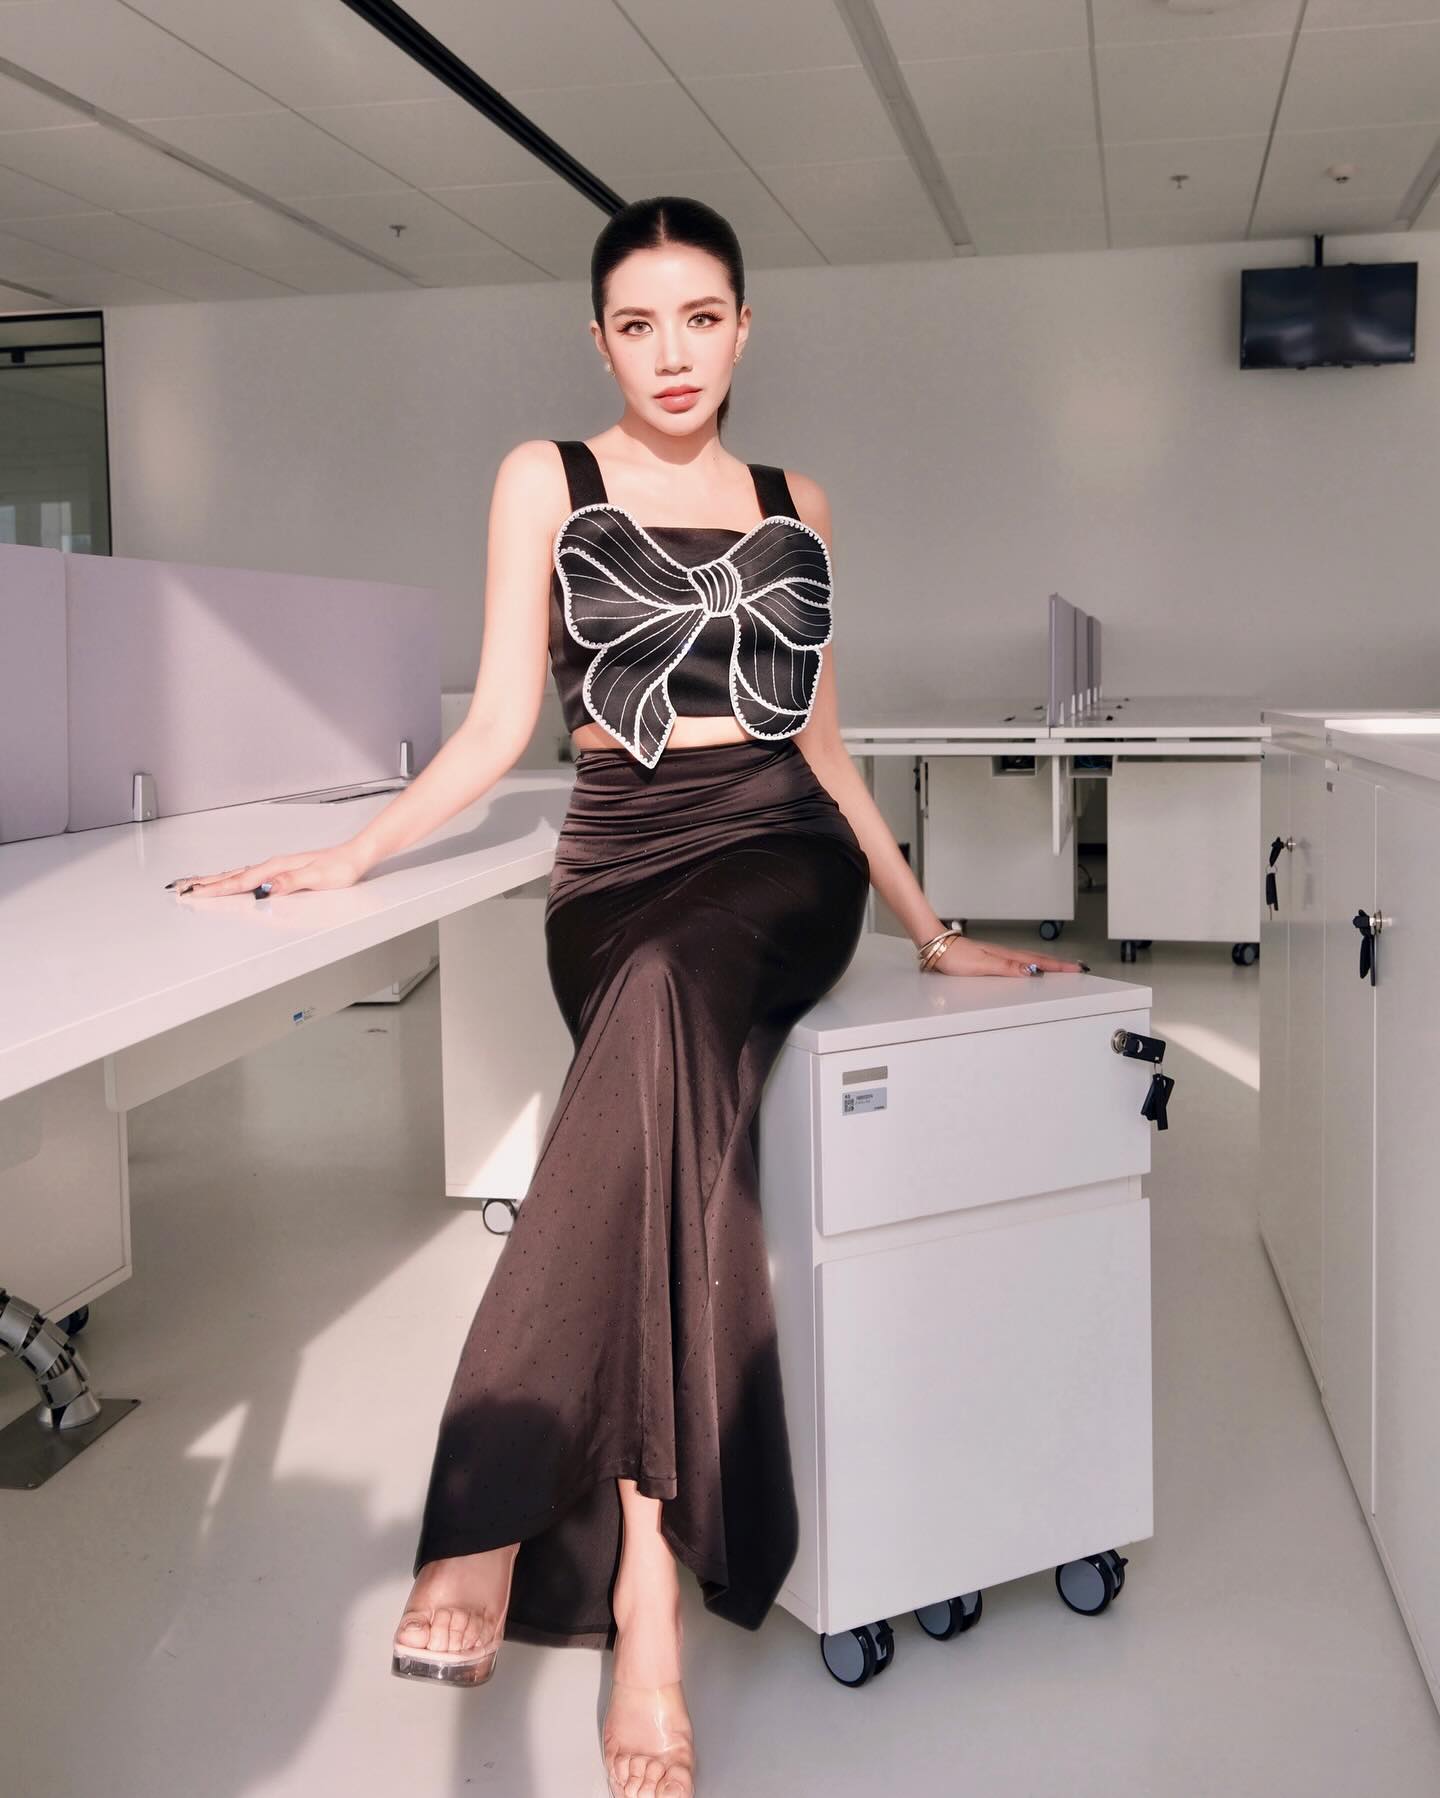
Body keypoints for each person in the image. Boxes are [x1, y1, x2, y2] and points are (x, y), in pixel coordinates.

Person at [173, 195, 1085, 1798]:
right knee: (677, 1106)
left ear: (745, 328)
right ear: (598, 340)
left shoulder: (799, 501)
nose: (674, 352)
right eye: (640, 323)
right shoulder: (547, 478)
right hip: (612, 871)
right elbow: (499, 725)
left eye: (703, 317)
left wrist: (929, 927)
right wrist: (350, 850)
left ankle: (507, 1525)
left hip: (780, 862)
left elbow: (824, 741)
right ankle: (644, 1602)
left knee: (671, 1004)